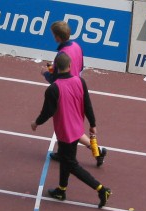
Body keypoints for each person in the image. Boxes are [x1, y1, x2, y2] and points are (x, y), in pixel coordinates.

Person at [32, 53, 111, 208]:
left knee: (71, 164)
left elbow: (46, 112)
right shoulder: (80, 81)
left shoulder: (53, 89)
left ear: (55, 68)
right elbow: (87, 104)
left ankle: (101, 189)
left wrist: (36, 123)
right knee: (65, 159)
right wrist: (93, 123)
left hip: (65, 132)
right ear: (69, 66)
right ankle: (61, 190)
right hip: (77, 128)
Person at [41, 20, 107, 167]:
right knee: (70, 127)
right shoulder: (77, 46)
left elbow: (55, 80)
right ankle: (93, 151)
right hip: (77, 87)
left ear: (57, 37)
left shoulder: (61, 54)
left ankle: (97, 150)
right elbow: (81, 67)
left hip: (65, 92)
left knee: (66, 126)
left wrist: (46, 73)